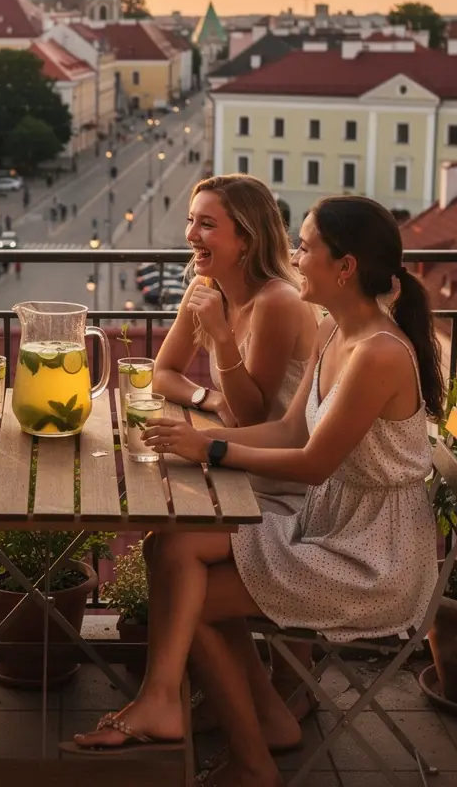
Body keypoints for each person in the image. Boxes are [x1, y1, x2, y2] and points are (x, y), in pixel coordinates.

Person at [70, 197, 443, 787]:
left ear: (343, 267)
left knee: (187, 590)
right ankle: (239, 715)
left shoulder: (378, 352)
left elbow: (314, 463)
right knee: (172, 547)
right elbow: (290, 429)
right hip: (329, 527)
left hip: (372, 559)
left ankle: (246, 753)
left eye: (305, 247)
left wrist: (212, 449)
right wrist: (200, 436)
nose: (295, 258)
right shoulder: (334, 330)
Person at [151, 175, 317, 726]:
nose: (191, 234)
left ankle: (250, 694)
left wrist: (221, 339)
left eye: (206, 224)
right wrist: (207, 395)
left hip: (286, 486)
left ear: (245, 238)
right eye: (191, 220)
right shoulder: (209, 289)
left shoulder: (277, 302)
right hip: (243, 468)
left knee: (175, 547)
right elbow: (163, 374)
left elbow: (251, 416)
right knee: (162, 540)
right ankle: (223, 692)